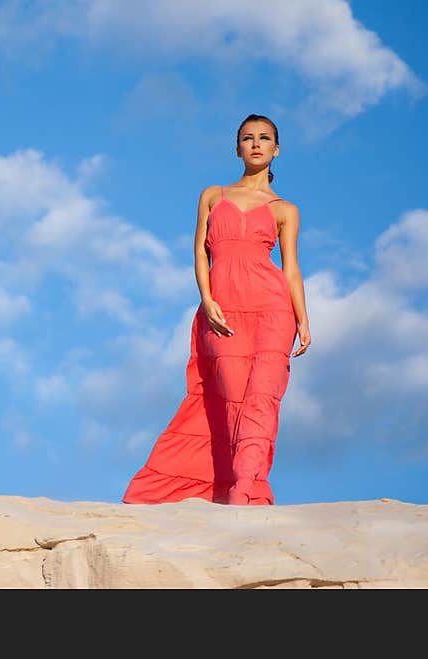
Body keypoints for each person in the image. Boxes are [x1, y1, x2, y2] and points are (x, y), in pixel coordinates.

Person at [123, 114, 311, 506]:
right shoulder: (213, 195)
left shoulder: (285, 209)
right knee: (230, 401)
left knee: (261, 400)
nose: (256, 143)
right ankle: (227, 490)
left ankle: (246, 492)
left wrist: (303, 320)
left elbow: (291, 268)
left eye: (264, 138)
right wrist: (207, 299)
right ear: (237, 148)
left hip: (273, 312)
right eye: (247, 138)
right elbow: (199, 252)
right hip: (223, 313)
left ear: (276, 150)